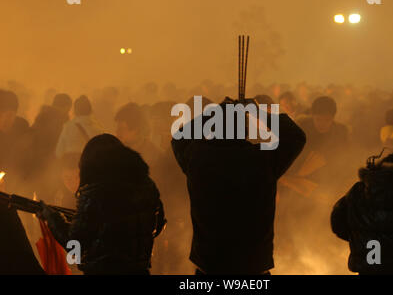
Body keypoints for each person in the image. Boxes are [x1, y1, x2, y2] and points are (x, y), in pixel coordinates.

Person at [171, 97, 306, 274]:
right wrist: (255, 111)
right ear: (246, 130)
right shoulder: (262, 160)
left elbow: (179, 138)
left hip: (210, 266)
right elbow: (296, 136)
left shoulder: (198, 159)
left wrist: (215, 113)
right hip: (253, 268)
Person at [38, 134, 166, 275]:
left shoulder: (95, 192)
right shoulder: (147, 186)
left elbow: (75, 244)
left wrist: (52, 218)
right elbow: (158, 225)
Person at [115, 102, 161, 167]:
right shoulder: (115, 151)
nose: (117, 132)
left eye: (121, 128)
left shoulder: (153, 155)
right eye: (117, 128)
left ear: (136, 130)